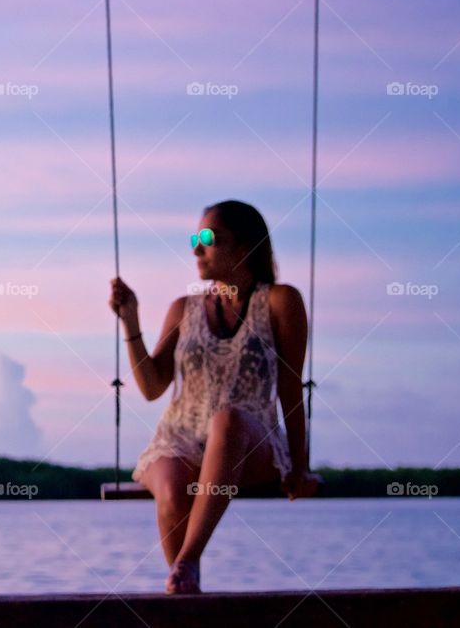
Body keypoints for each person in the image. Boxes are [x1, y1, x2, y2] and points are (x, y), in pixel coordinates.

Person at [108, 199, 322, 594]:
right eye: (195, 238)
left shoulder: (280, 301)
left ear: (244, 247)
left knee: (228, 419)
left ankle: (186, 563)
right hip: (180, 438)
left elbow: (292, 388)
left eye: (208, 238)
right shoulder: (182, 309)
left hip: (249, 441)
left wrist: (300, 467)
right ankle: (185, 594)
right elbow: (153, 386)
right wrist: (131, 320)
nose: (196, 249)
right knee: (172, 487)